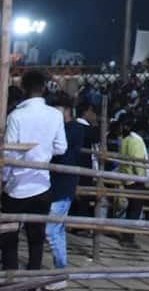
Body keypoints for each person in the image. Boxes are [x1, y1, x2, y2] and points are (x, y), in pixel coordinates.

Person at [2, 70, 67, 273]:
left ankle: (12, 278)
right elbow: (61, 147)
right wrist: (43, 151)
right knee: (36, 237)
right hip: (42, 185)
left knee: (10, 237)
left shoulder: (16, 116)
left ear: (23, 88)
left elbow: (10, 153)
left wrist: (3, 179)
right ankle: (33, 278)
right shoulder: (55, 115)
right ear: (45, 88)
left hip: (17, 186)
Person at [46, 94, 86, 282]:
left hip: (64, 185)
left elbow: (60, 153)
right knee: (57, 230)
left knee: (52, 230)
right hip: (54, 184)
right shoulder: (60, 127)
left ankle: (60, 274)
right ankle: (60, 272)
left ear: (66, 110)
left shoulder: (75, 129)